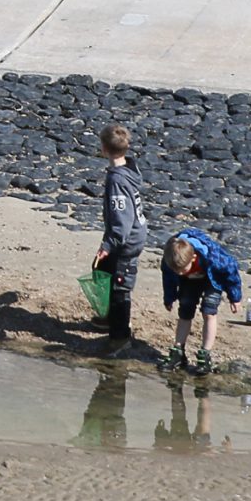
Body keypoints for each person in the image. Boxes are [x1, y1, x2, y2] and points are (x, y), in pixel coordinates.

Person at [92, 124, 149, 359]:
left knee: (119, 288)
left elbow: (121, 221)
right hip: (126, 235)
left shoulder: (117, 181)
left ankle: (120, 338)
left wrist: (108, 245)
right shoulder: (129, 167)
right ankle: (107, 319)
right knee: (100, 269)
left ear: (103, 149)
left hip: (127, 240)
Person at [161, 228, 245, 375]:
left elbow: (231, 271)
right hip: (189, 282)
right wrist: (169, 297)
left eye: (182, 270)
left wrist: (234, 297)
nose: (179, 273)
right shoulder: (171, 261)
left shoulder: (214, 258)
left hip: (212, 279)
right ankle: (178, 351)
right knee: (185, 310)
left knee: (209, 312)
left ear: (193, 258)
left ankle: (205, 354)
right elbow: (168, 279)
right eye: (177, 271)